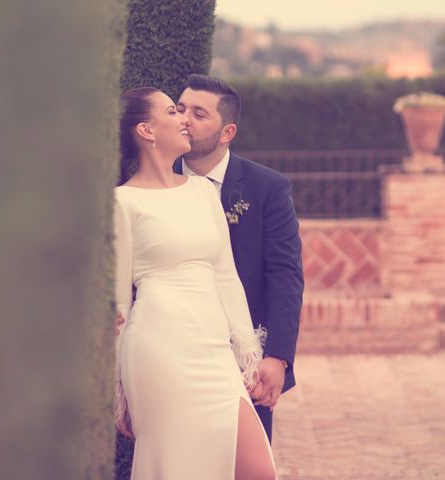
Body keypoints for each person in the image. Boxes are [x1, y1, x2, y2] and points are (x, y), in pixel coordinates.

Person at [113, 86, 276, 480]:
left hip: (213, 350)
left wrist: (248, 357)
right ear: (147, 131)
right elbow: (118, 303)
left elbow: (226, 277)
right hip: (159, 349)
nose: (184, 119)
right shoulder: (121, 202)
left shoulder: (203, 192)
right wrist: (118, 394)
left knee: (258, 471)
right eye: (173, 111)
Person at [173, 74, 304, 441]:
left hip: (245, 358)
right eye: (180, 108)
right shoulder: (149, 183)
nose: (184, 119)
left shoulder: (266, 188)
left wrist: (277, 357)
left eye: (199, 114)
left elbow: (285, 275)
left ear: (227, 132)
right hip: (173, 348)